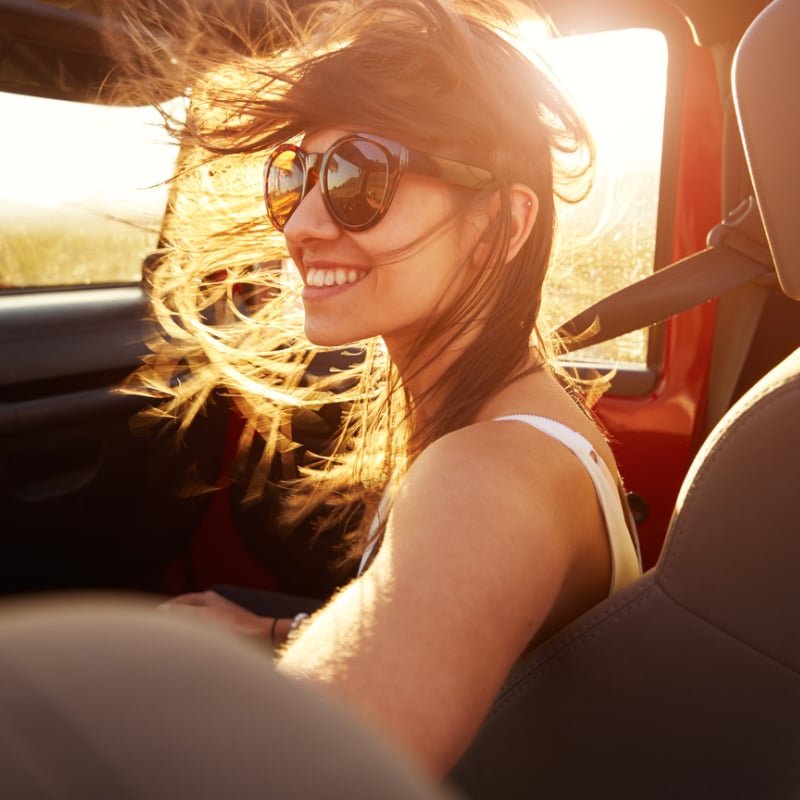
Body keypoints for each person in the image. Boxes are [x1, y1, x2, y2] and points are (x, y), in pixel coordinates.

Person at [110, 0, 641, 777]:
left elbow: (311, 774)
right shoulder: (495, 422)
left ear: (499, 226)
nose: (301, 226)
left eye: (361, 175)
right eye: (294, 178)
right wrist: (280, 636)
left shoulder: (490, 474)